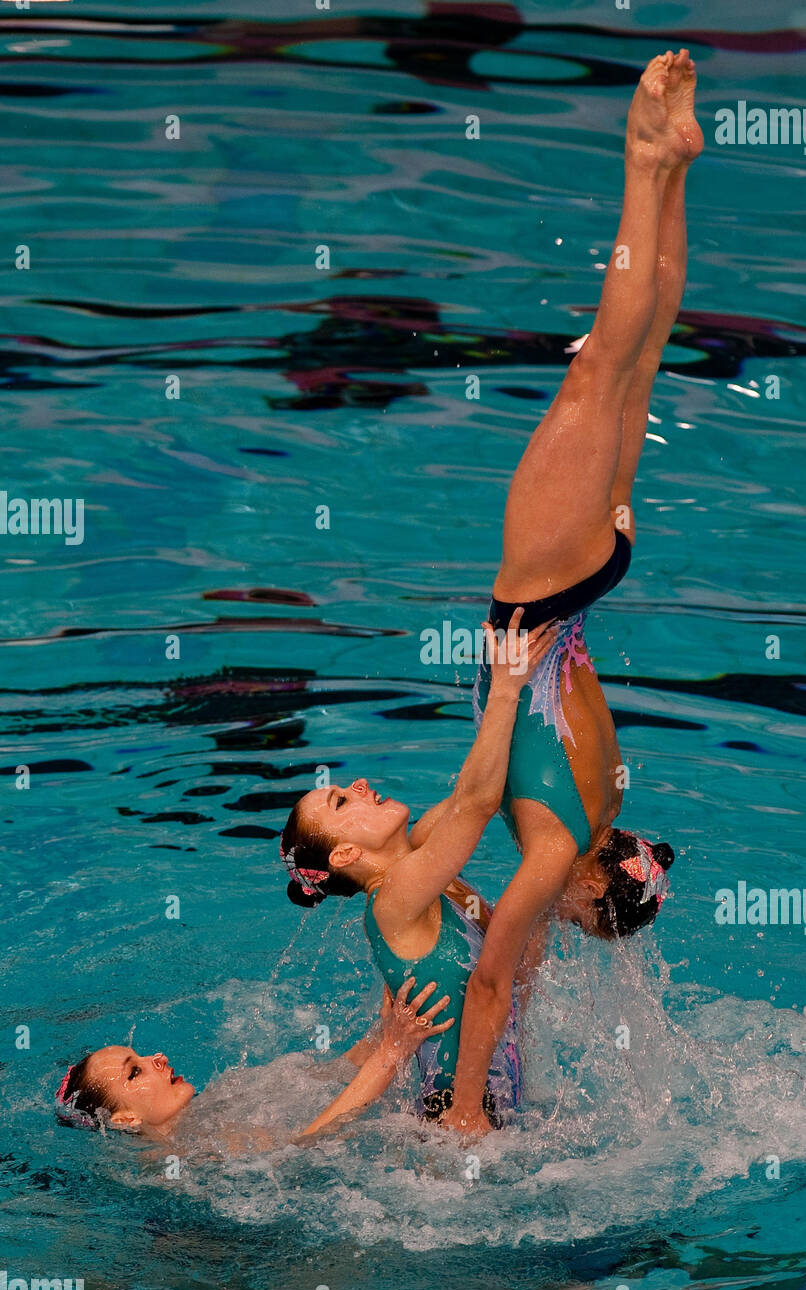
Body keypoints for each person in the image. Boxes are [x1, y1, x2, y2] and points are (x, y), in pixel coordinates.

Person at [439, 50, 702, 1137]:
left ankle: (673, 168)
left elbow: (512, 949)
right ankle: (645, 164)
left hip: (591, 579)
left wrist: (452, 898)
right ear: (588, 897)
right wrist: (462, 1115)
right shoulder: (554, 851)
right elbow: (493, 988)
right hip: (540, 588)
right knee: (600, 366)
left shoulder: (586, 819)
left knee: (637, 360)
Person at [279, 611, 554, 1127]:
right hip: (456, 1121)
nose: (359, 784)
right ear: (344, 857)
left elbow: (479, 788)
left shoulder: (426, 862)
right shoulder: (394, 901)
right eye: (342, 802)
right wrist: (506, 691)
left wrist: (504, 674)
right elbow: (475, 802)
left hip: (494, 1111)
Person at [54, 976, 452, 1146]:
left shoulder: (226, 1093)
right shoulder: (188, 1162)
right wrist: (392, 1053)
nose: (157, 1057)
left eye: (140, 1054)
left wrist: (384, 1030)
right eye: (135, 1070)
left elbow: (333, 1073)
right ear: (124, 1119)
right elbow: (309, 1143)